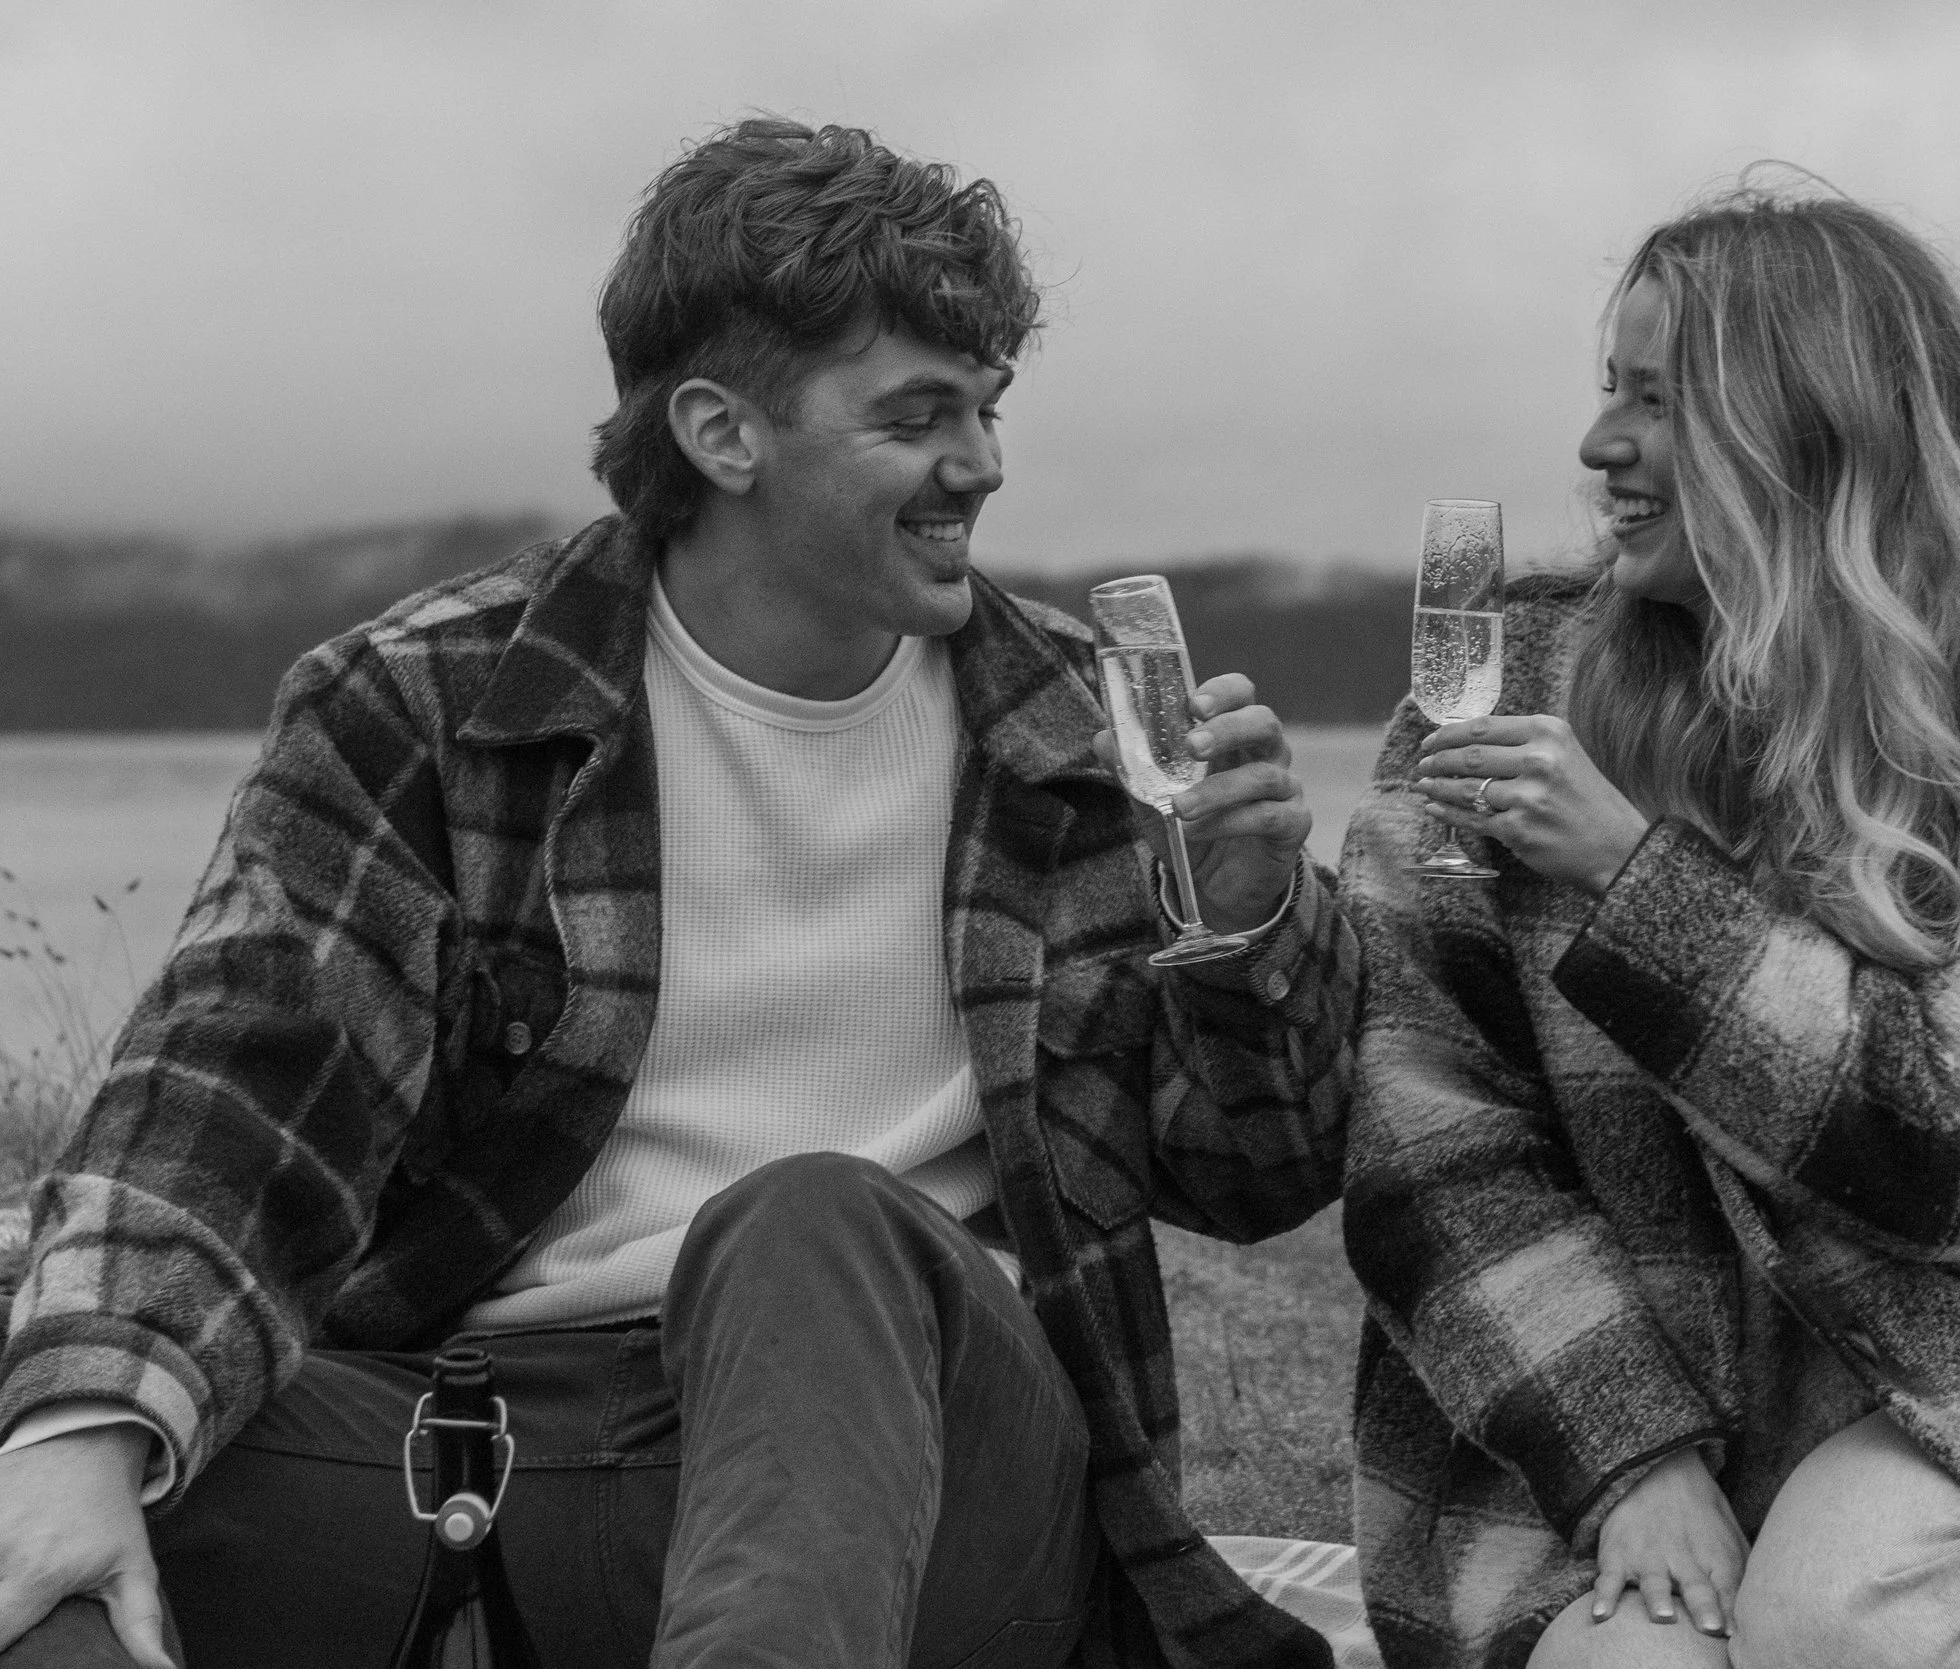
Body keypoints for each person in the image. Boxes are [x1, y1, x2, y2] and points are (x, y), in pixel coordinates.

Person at [0, 118, 1356, 1669]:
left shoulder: (1075, 730)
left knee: (811, 1218)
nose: (981, 464)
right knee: (65, 1468)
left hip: (930, 1475)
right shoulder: (428, 703)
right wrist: (79, 1433)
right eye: (921, 415)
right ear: (724, 434)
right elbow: (231, 1095)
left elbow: (1260, 1174)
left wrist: (1245, 921)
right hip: (495, 1454)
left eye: (985, 408)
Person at [1337, 182, 1960, 1669]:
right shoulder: (1500, 692)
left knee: (1842, 1623)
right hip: (1567, 1407)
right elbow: (1425, 1138)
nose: (1596, 446)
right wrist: (1627, 1453)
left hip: (1918, 1379)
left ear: (1797, 431)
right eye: (1603, 391)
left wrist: (1634, 886)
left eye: (1654, 402)